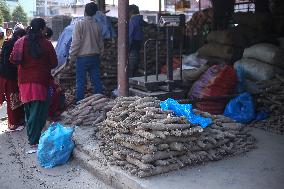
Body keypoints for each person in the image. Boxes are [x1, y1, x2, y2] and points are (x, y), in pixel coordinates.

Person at [10, 18, 58, 146]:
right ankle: (33, 140)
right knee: (38, 112)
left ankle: (32, 138)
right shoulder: (47, 44)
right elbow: (54, 63)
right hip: (40, 81)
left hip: (23, 81)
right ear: (42, 29)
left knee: (29, 110)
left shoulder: (20, 42)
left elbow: (13, 60)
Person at [69, 2, 104, 101]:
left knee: (80, 81)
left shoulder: (79, 24)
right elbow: (101, 43)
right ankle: (100, 100)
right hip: (95, 57)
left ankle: (79, 101)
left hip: (82, 58)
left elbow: (75, 43)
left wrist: (72, 58)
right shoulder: (97, 25)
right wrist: (100, 54)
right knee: (96, 80)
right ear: (95, 13)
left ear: (84, 11)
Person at [0, 28, 26, 130]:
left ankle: (15, 121)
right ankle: (13, 123)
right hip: (9, 77)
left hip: (7, 75)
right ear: (20, 36)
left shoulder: (9, 43)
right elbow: (10, 62)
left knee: (14, 99)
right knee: (13, 100)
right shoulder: (14, 44)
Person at [128, 4, 144, 77]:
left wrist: (128, 45)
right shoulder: (140, 19)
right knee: (136, 58)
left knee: (132, 60)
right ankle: (134, 74)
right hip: (139, 41)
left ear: (131, 11)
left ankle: (132, 77)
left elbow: (130, 34)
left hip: (133, 42)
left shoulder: (133, 20)